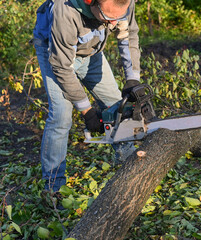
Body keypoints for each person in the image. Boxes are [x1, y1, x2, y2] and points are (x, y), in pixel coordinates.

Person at [32, 0, 141, 192]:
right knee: (61, 117)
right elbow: (62, 67)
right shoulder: (65, 10)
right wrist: (87, 111)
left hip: (91, 51)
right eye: (108, 18)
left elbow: (129, 36)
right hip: (56, 53)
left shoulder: (125, 2)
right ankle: (53, 188)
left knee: (116, 105)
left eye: (118, 18)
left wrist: (132, 79)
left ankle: (131, 168)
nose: (114, 24)